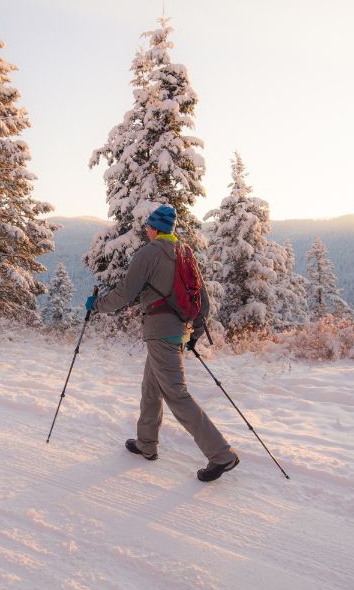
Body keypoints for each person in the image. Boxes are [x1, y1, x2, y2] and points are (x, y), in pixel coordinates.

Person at [86, 204, 239, 482]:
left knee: (176, 394)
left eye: (148, 226)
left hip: (159, 330)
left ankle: (221, 454)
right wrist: (194, 334)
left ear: (155, 228)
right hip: (178, 330)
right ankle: (146, 442)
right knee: (151, 386)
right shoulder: (185, 253)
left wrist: (97, 304)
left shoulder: (148, 253)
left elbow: (124, 293)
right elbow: (203, 301)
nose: (146, 230)